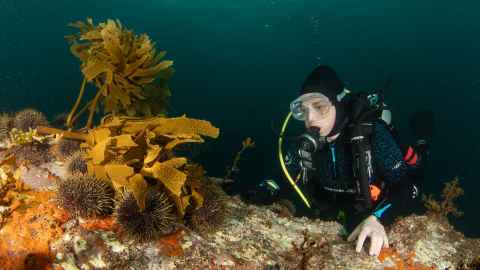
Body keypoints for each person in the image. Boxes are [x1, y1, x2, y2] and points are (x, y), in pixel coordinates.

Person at [270, 65, 432, 257]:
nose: (310, 118)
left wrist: (377, 218)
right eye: (303, 111)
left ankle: (422, 142)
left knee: (416, 163)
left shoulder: (372, 135)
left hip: (375, 205)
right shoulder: (308, 143)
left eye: (319, 107)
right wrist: (271, 192)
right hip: (338, 212)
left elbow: (408, 188)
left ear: (338, 103)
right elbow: (289, 178)